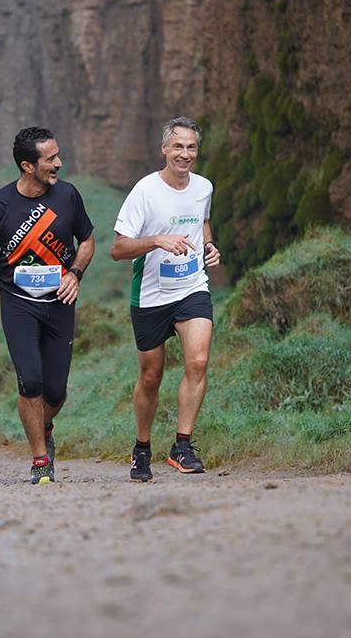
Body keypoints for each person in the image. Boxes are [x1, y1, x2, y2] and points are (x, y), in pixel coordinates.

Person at [0, 126, 94, 484]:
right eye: (50, 158)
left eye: (58, 155)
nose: (59, 163)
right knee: (31, 383)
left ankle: (43, 427)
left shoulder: (68, 197)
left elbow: (87, 240)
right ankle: (40, 459)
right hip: (18, 303)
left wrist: (74, 273)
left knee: (55, 390)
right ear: (28, 166)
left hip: (59, 301)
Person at [110, 116, 221, 482]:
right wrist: (157, 240)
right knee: (151, 377)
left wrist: (208, 245)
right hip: (151, 295)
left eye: (191, 147)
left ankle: (182, 446)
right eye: (178, 146)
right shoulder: (144, 191)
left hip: (192, 287)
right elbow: (117, 249)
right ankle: (142, 449)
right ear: (164, 149)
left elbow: (201, 220)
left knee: (199, 359)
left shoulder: (203, 187)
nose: (184, 154)